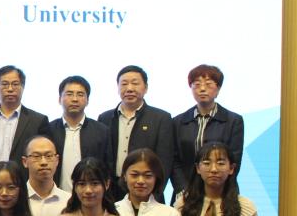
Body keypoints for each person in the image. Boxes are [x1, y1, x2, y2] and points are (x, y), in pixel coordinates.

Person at [98, 66, 174, 202]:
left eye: (135, 83)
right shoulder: (105, 118)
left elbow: (165, 160)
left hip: (147, 188)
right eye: (124, 84)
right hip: (112, 191)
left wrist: (156, 191)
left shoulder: (161, 118)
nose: (129, 88)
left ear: (146, 88)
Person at [171, 65, 244, 202]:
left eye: (209, 84)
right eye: (197, 84)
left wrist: (217, 188)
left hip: (222, 191)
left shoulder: (233, 121)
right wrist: (183, 189)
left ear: (218, 89)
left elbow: (234, 160)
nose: (202, 89)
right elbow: (174, 160)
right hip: (186, 193)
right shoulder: (178, 121)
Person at [0, 65, 50, 177]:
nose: (10, 89)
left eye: (15, 84)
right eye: (5, 84)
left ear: (23, 87)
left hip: (23, 183)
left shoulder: (38, 121)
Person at [48, 76, 110, 192]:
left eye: (80, 94)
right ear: (59, 99)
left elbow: (107, 168)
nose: (75, 99)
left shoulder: (102, 131)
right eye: (69, 94)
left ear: (87, 100)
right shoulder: (49, 130)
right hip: (56, 195)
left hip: (91, 194)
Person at [23, 136, 71, 216]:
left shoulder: (69, 201)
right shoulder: (16, 199)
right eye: (36, 156)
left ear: (57, 160)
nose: (43, 162)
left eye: (49, 156)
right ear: (25, 162)